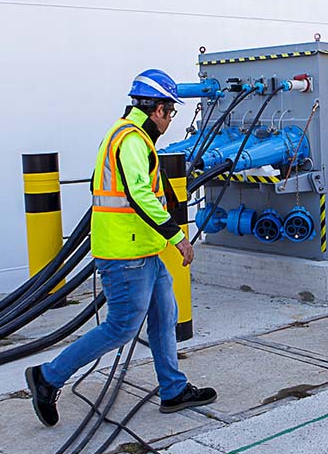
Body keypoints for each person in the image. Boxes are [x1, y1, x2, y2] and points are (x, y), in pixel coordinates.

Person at [25, 69, 216, 426]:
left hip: (144, 250)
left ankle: (172, 390)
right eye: (170, 112)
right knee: (122, 327)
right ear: (157, 109)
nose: (171, 120)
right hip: (125, 256)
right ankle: (48, 377)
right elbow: (138, 194)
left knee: (164, 317)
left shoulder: (128, 136)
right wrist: (178, 237)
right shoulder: (130, 140)